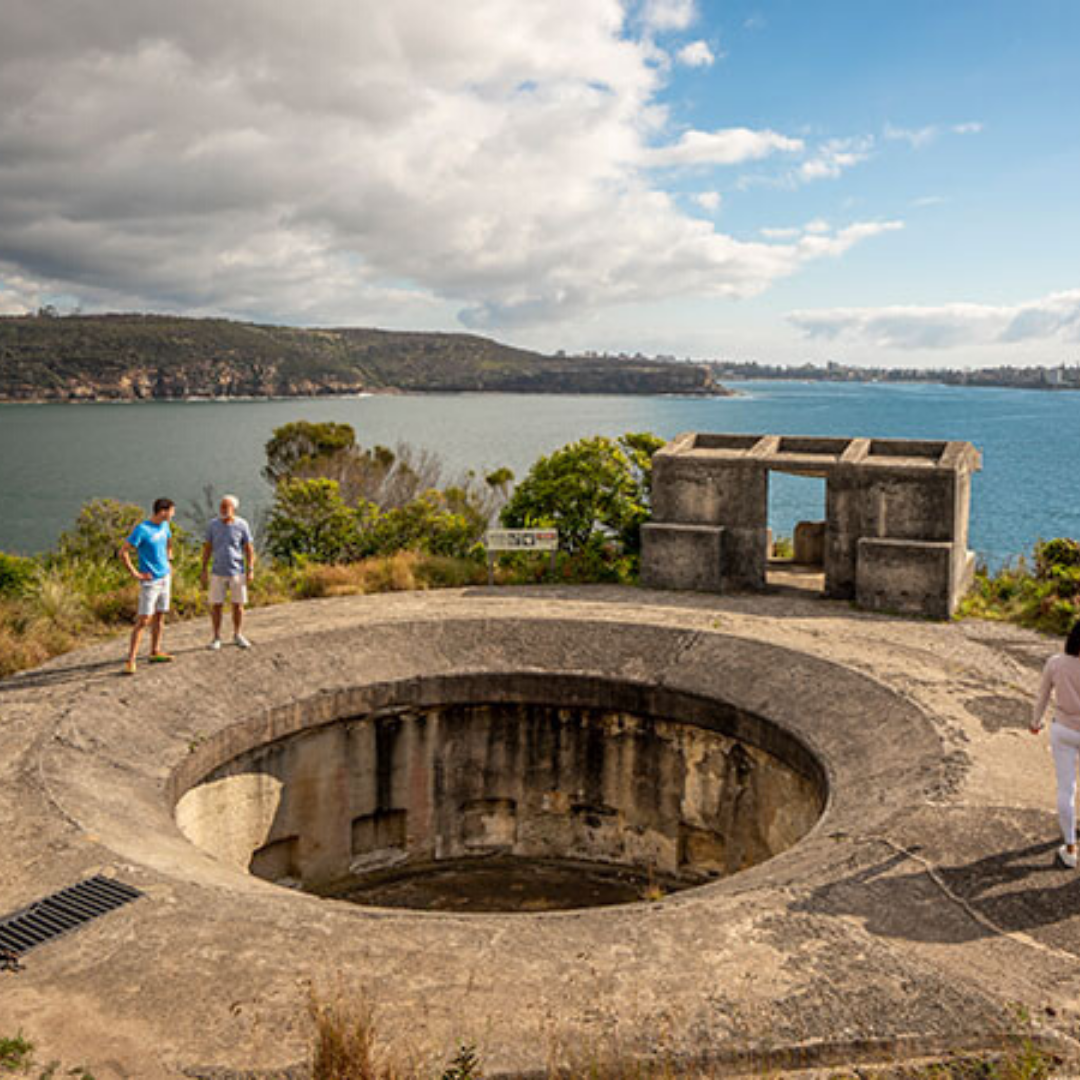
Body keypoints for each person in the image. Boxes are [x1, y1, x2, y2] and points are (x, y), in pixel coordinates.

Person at [1031, 621, 1080, 868]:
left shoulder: (1056, 662)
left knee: (1066, 789)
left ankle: (1070, 848)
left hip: (1063, 730)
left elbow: (1043, 696)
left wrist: (1034, 722)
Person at [120, 497, 176, 675]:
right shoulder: (142, 529)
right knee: (144, 620)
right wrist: (135, 573)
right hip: (150, 581)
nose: (173, 514)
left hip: (165, 578)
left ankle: (155, 651)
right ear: (163, 512)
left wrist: (169, 557)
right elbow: (123, 552)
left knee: (160, 616)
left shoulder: (165, 526)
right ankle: (131, 660)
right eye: (171, 511)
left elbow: (168, 541)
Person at [201, 494, 256, 650]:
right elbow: (207, 548)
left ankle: (238, 634)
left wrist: (250, 569)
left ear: (234, 509)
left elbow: (249, 549)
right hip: (217, 571)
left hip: (237, 571)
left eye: (226, 507)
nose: (223, 510)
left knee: (238, 605)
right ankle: (216, 637)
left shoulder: (242, 525)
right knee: (216, 605)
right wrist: (203, 569)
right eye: (221, 506)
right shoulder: (213, 525)